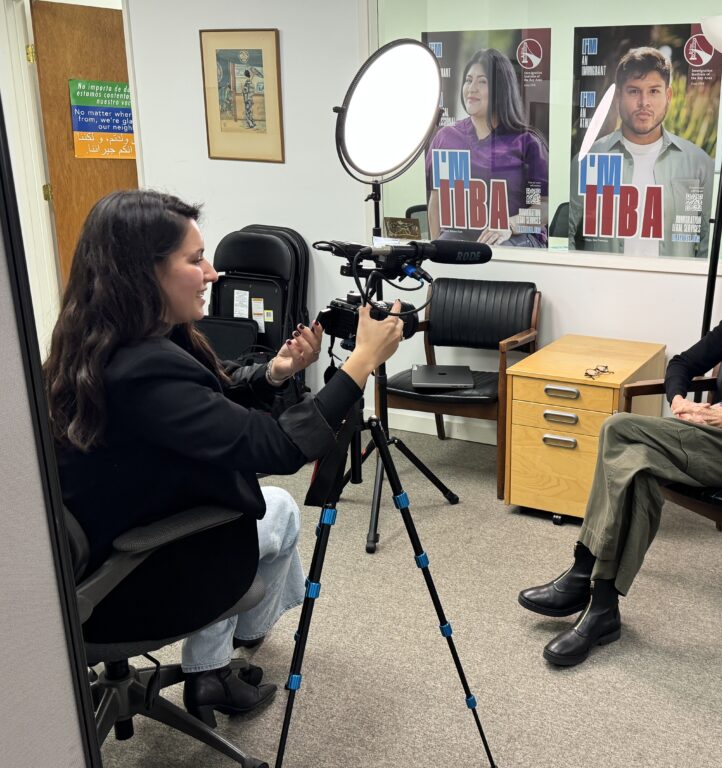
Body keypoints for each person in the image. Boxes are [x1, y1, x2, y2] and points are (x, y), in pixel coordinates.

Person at [43, 190, 403, 724]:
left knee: (262, 504)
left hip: (100, 541)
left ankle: (213, 668)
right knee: (276, 509)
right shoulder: (145, 368)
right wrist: (362, 363)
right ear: (144, 272)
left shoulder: (97, 342)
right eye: (194, 260)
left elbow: (204, 402)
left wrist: (275, 374)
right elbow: (281, 447)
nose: (212, 273)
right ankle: (216, 665)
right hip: (130, 576)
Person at [518, 213, 722, 666]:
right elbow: (684, 362)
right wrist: (679, 403)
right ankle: (603, 607)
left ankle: (581, 567)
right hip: (706, 434)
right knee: (639, 473)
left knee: (616, 427)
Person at [568, 47, 714, 258]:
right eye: (634, 91)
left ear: (668, 95)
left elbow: (708, 241)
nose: (644, 102)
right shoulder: (589, 159)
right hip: (602, 287)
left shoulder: (697, 163)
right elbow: (565, 235)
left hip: (673, 289)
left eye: (654, 91)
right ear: (619, 95)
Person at [425, 48, 548, 247]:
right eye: (468, 80)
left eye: (482, 81)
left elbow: (541, 207)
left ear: (501, 89)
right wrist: (434, 252)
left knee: (498, 250)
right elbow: (437, 201)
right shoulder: (447, 139)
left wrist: (510, 226)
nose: (471, 88)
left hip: (514, 238)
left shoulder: (526, 144)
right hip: (463, 239)